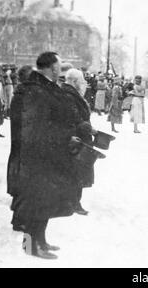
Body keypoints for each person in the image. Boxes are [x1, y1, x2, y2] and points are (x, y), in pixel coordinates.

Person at [7, 52, 79, 259]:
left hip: (45, 154)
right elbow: (38, 128)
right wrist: (66, 137)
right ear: (53, 67)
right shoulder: (34, 91)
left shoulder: (42, 88)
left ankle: (40, 240)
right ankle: (30, 245)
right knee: (33, 203)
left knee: (43, 201)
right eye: (58, 65)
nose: (60, 69)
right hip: (35, 157)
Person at [61, 68, 94, 215]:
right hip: (76, 138)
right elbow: (74, 118)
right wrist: (89, 128)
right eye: (81, 81)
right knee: (76, 171)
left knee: (75, 171)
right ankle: (73, 202)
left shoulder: (70, 93)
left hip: (78, 136)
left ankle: (72, 201)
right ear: (74, 81)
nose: (84, 84)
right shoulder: (69, 95)